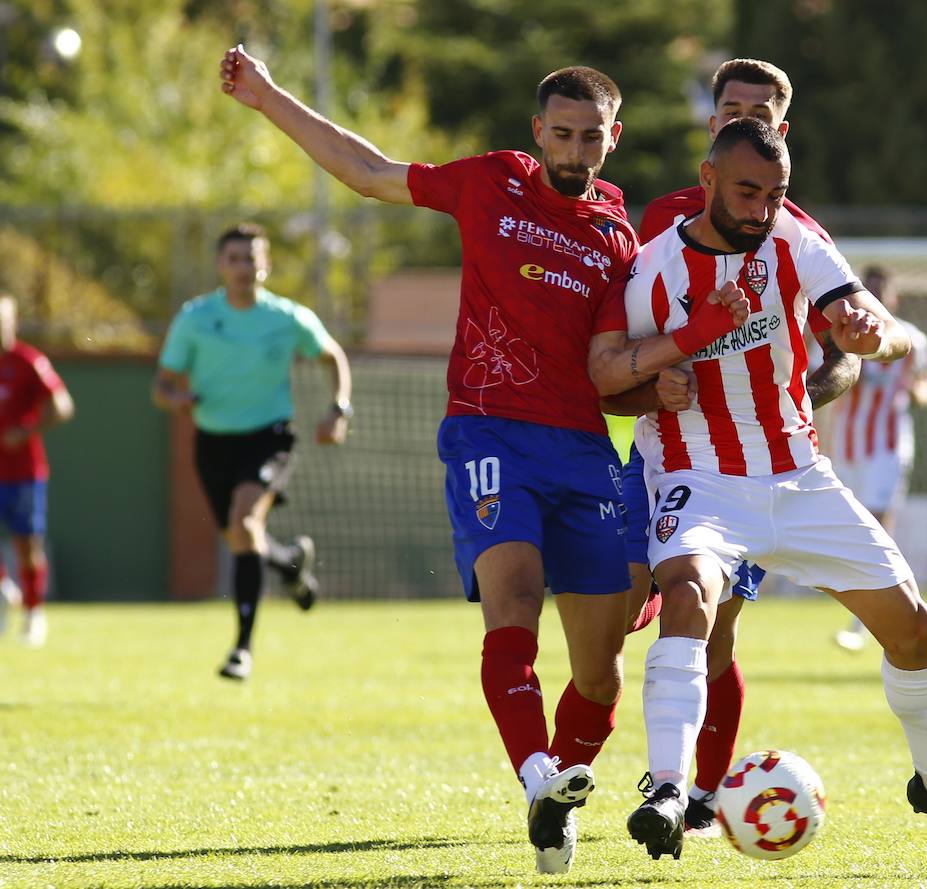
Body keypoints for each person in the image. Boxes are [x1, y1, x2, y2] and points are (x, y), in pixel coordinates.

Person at [218, 48, 749, 874]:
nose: (574, 151)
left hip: (584, 449)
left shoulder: (620, 236)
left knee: (602, 677)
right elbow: (366, 170)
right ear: (537, 132)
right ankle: (538, 773)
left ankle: (559, 791)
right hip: (489, 431)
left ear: (614, 139)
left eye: (591, 138)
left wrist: (661, 384)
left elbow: (614, 372)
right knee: (515, 599)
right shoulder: (490, 181)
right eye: (561, 134)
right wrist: (268, 98)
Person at [591, 118, 927, 859]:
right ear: (706, 180)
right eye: (747, 190)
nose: (762, 206)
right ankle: (667, 789)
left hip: (798, 474)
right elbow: (607, 382)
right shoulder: (652, 270)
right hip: (698, 477)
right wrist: (652, 384)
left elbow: (871, 319)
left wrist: (867, 329)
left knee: (915, 628)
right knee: (693, 597)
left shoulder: (793, 239)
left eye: (776, 192)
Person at [617, 57, 861, 835]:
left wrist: (778, 405)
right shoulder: (661, 217)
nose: (738, 117)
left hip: (748, 471)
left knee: (710, 626)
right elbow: (627, 334)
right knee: (615, 608)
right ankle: (561, 774)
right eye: (728, 106)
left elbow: (844, 354)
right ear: (711, 123)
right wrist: (655, 380)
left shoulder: (796, 232)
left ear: (779, 130)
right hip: (657, 448)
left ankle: (689, 798)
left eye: (756, 109)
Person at [153, 223, 352, 682]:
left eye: (252, 258)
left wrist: (338, 409)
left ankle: (242, 648)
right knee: (242, 539)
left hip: (270, 438)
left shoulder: (287, 318)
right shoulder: (195, 318)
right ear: (221, 265)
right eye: (235, 259)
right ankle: (290, 562)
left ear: (266, 265)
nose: (244, 267)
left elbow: (331, 356)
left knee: (245, 523)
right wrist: (176, 399)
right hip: (213, 442)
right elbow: (162, 386)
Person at [0, 292, 75, 646]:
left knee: (27, 545)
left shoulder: (29, 361)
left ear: (15, 320)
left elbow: (64, 406)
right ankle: (1, 590)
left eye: (3, 316)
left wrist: (27, 430)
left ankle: (34, 613)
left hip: (25, 472)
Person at [829, 266, 927, 651]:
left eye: (881, 291)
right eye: (868, 289)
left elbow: (924, 383)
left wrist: (920, 391)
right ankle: (884, 607)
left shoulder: (910, 339)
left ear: (893, 299)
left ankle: (867, 622)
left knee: (878, 523)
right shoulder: (840, 332)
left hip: (888, 446)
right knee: (854, 527)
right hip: (847, 443)